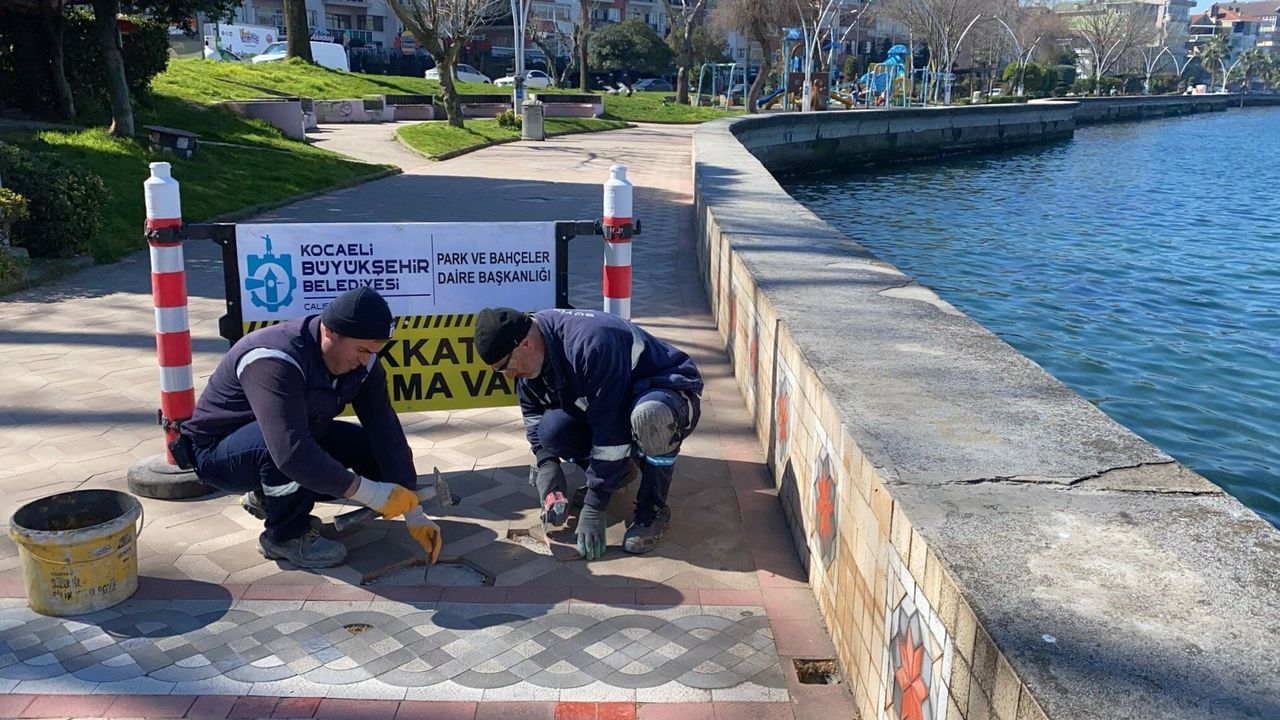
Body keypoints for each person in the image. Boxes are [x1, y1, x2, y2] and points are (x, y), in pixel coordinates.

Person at [181, 287, 442, 569]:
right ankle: (286, 536)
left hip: (289, 436)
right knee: (283, 453)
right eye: (361, 350)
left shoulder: (364, 363)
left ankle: (270, 497)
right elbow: (290, 452)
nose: (365, 360)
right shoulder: (273, 359)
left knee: (375, 456)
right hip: (219, 453)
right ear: (330, 332)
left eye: (374, 352)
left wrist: (411, 505)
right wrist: (372, 494)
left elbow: (384, 426)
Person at [473, 307, 702, 559]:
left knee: (651, 419)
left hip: (666, 391)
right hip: (617, 401)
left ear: (525, 344)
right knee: (552, 431)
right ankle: (621, 471)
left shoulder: (591, 345)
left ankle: (653, 509)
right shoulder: (534, 351)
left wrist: (596, 504)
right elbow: (534, 418)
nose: (511, 375)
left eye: (507, 367)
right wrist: (547, 465)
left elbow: (610, 433)